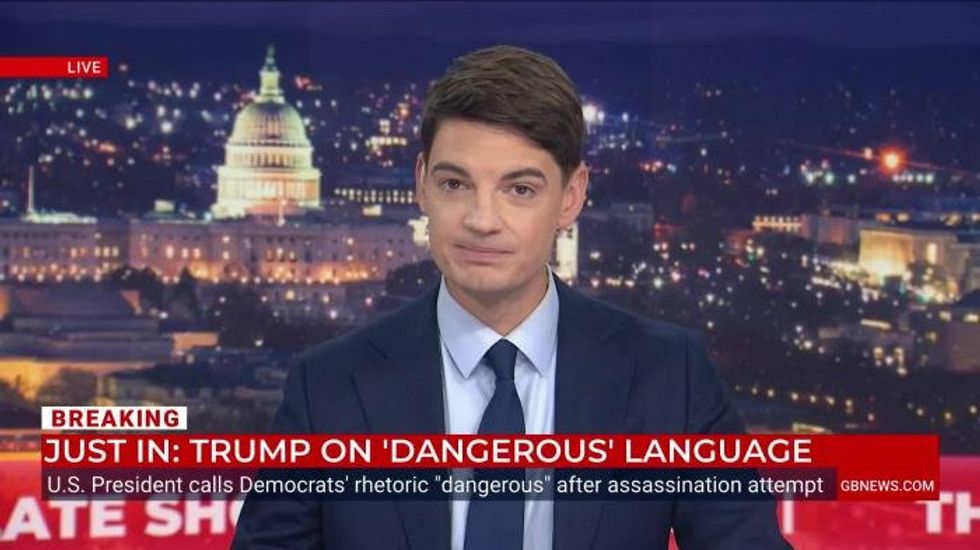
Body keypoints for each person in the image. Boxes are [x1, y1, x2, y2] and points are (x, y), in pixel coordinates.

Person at [233, 45, 791, 550]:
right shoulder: (327, 387)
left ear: (571, 197)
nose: (482, 220)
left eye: (519, 189)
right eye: (455, 184)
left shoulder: (670, 377)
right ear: (421, 183)